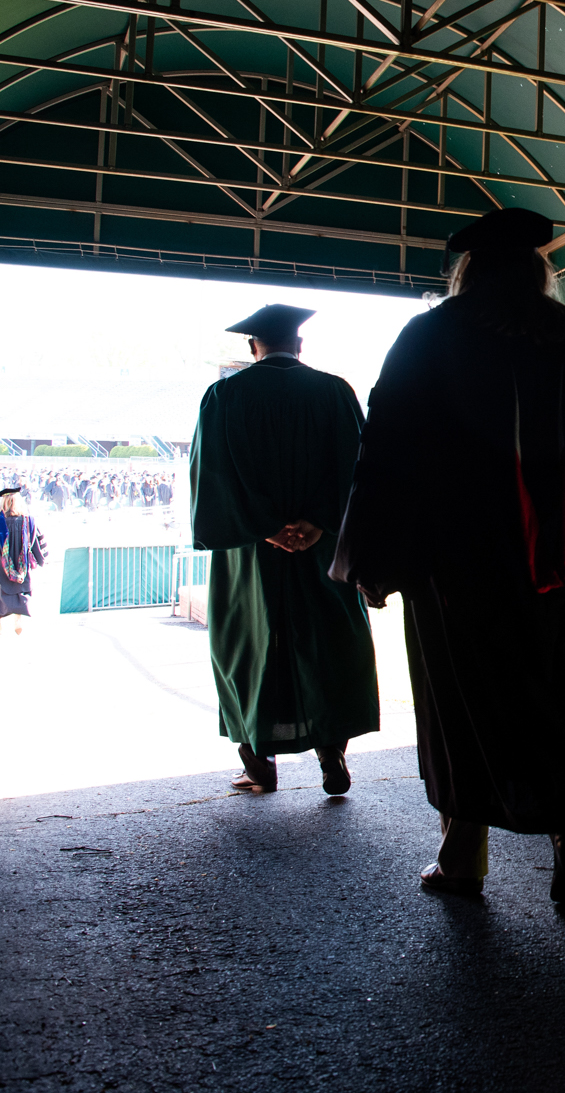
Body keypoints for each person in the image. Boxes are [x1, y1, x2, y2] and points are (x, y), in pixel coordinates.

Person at [332, 208, 565, 903]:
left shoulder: (430, 336)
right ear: (536, 270)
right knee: (561, 694)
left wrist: (372, 557)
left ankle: (464, 852)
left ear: (468, 271)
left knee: (462, 705)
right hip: (562, 566)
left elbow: (387, 449)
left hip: (456, 568)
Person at [189, 303, 379, 797]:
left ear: (254, 346)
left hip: (251, 553)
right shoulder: (335, 392)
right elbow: (358, 468)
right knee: (327, 643)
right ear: (299, 346)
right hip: (322, 548)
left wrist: (266, 526)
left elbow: (213, 476)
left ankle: (259, 764)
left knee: (251, 649)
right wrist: (318, 523)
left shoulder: (224, 396)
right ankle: (332, 756)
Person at [0, 485, 49, 635]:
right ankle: (18, 620)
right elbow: (38, 543)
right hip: (22, 567)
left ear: (3, 503)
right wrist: (40, 558)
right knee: (19, 591)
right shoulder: (29, 521)